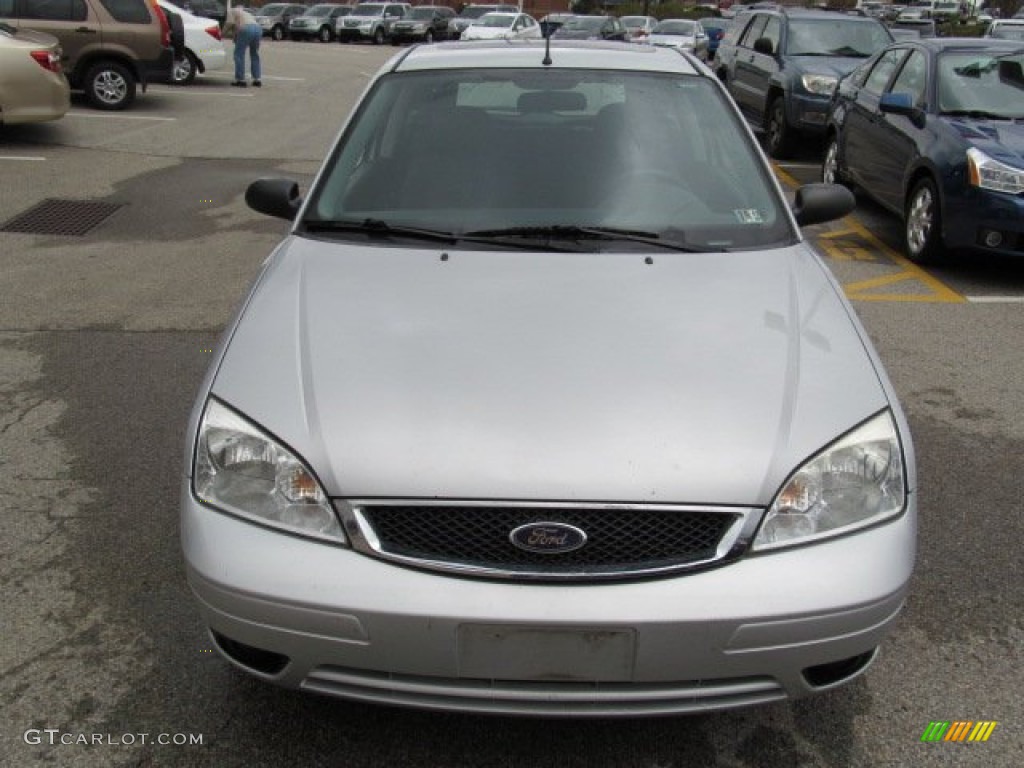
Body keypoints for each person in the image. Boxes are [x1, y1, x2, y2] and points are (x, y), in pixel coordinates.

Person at [223, 1, 262, 88]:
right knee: (254, 54)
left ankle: (240, 80)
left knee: (239, 54)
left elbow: (229, 24)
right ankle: (257, 79)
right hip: (258, 29)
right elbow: (236, 31)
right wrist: (235, 38)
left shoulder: (231, 11)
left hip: (245, 29)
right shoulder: (246, 13)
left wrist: (221, 34)